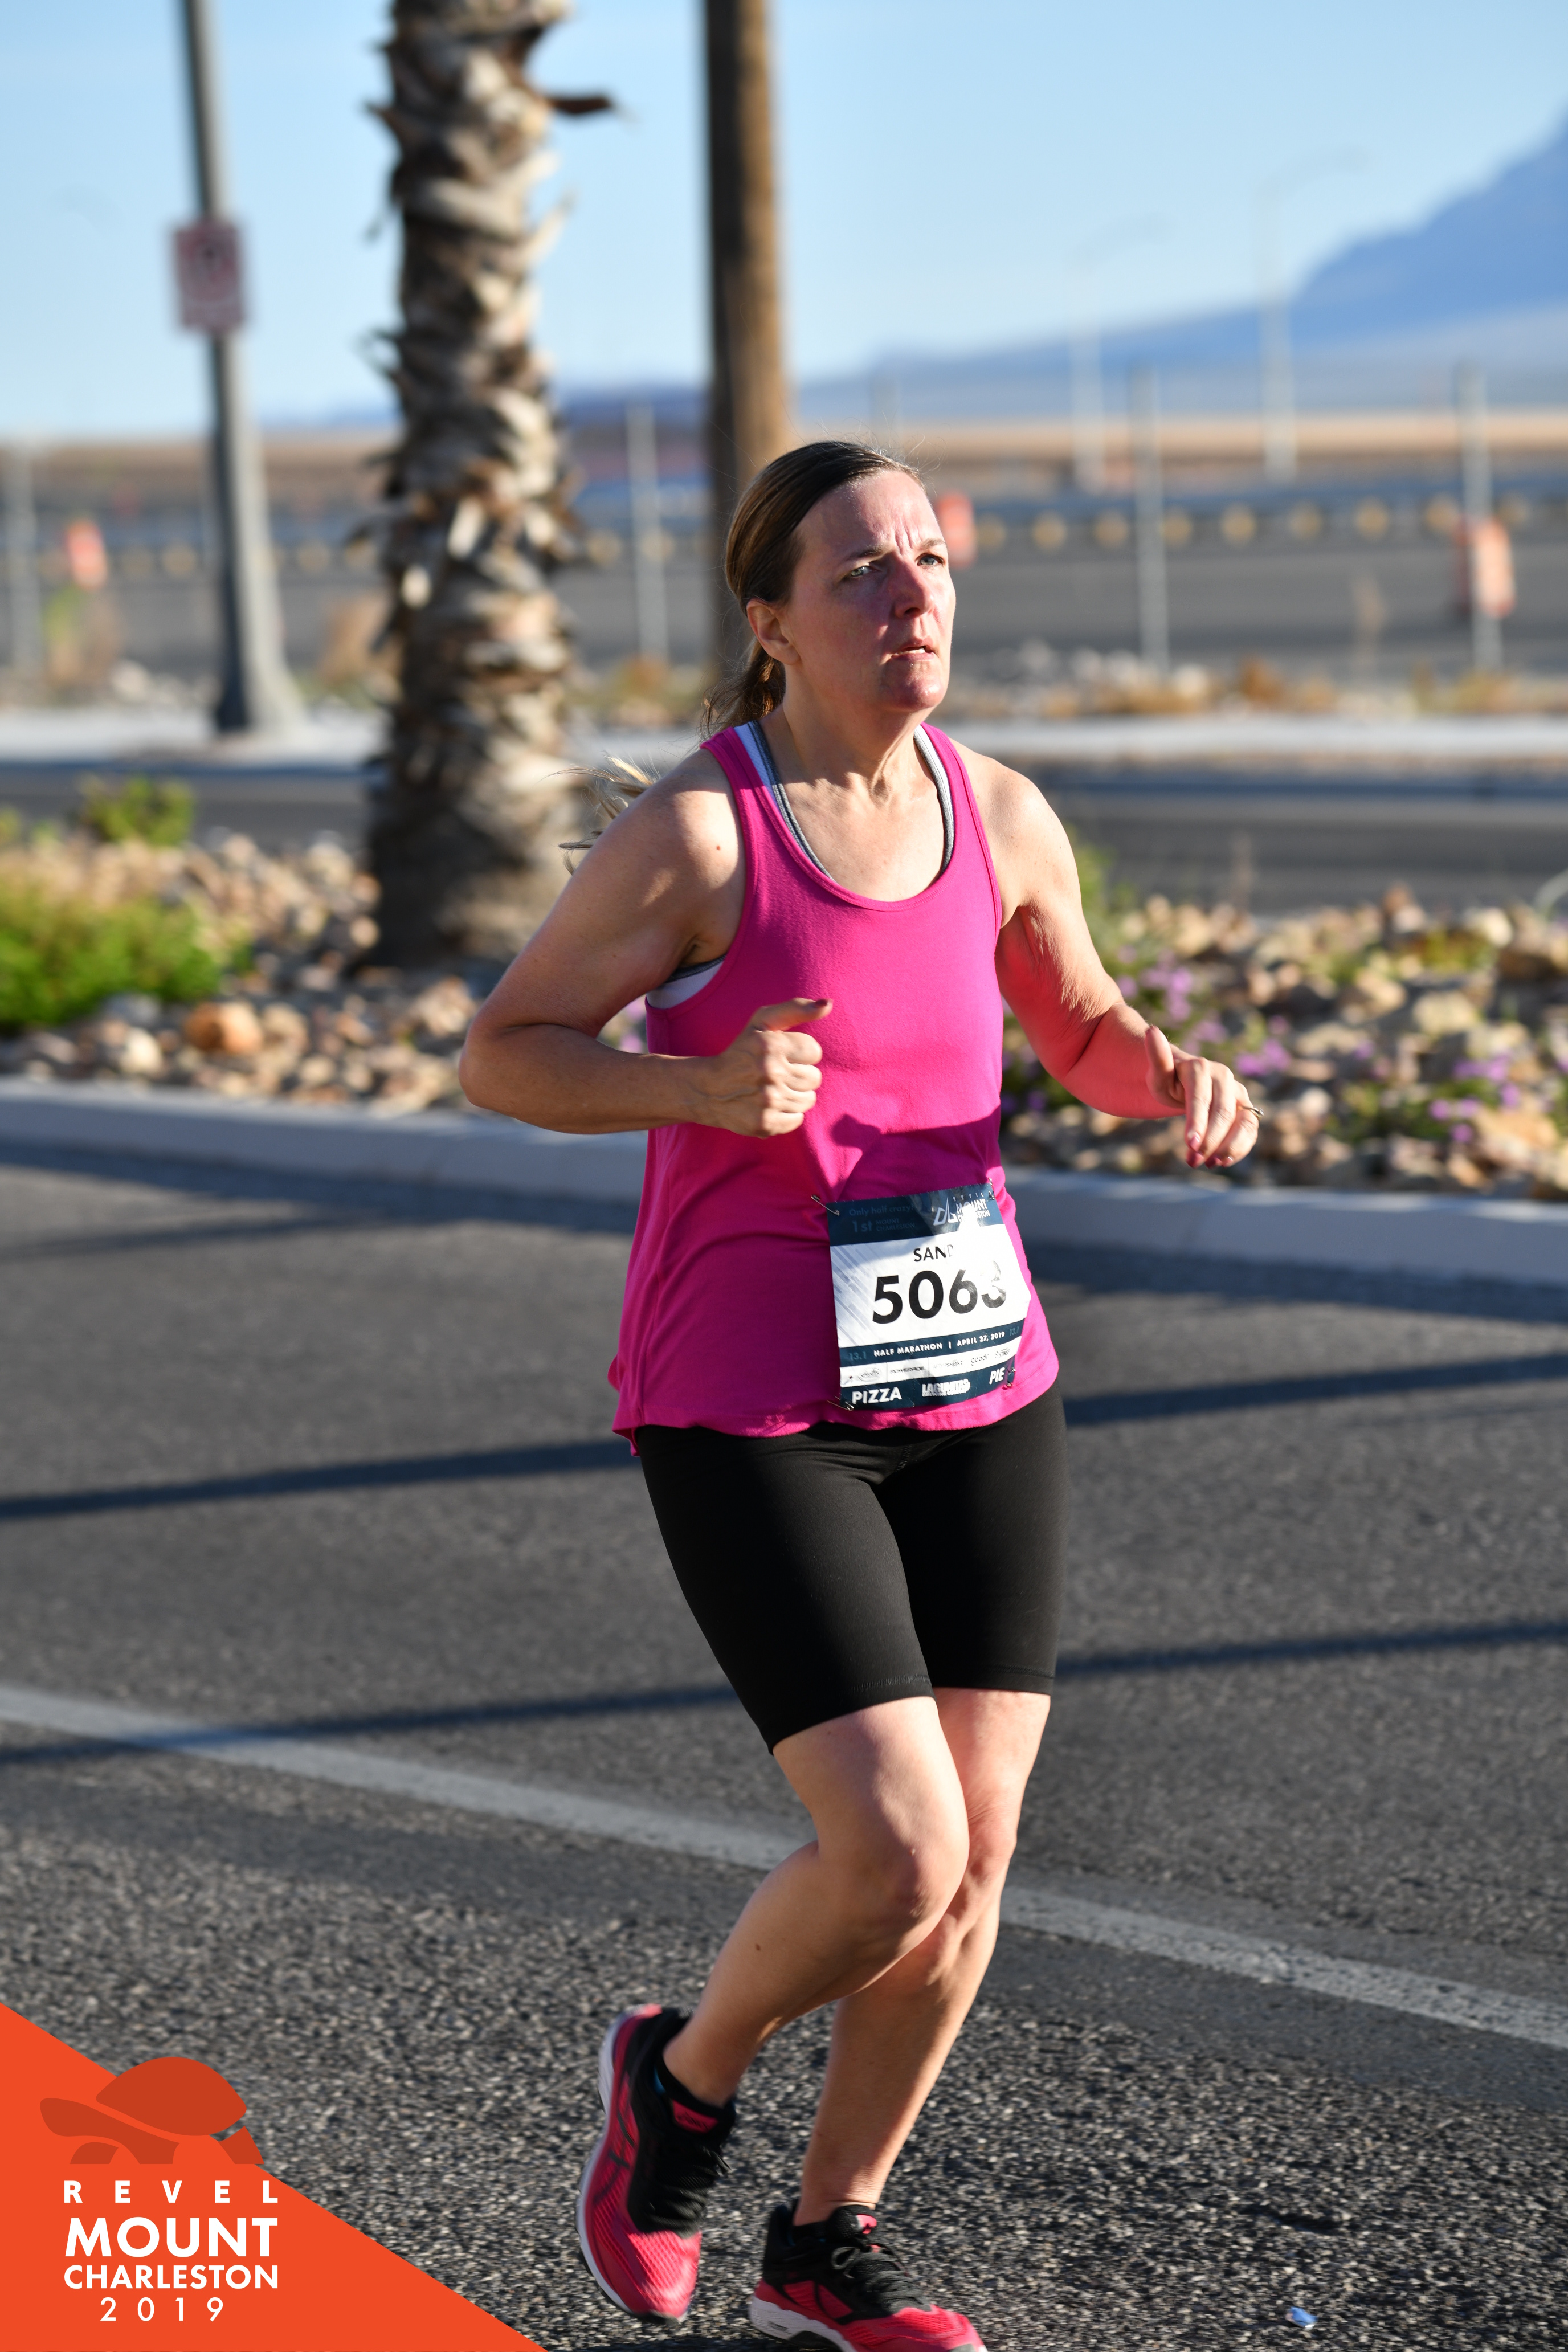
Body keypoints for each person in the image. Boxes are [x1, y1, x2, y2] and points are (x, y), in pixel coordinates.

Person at [459, 440, 1258, 2351]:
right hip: (750, 1399)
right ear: (772, 622)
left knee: (974, 1864)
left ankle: (831, 2238)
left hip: (978, 1376)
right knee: (894, 1853)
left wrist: (1173, 1075)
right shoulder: (703, 836)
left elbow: (1077, 1022)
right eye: (862, 573)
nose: (914, 598)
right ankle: (678, 2086)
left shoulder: (1000, 810)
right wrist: (696, 1086)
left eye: (930, 560)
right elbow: (508, 1052)